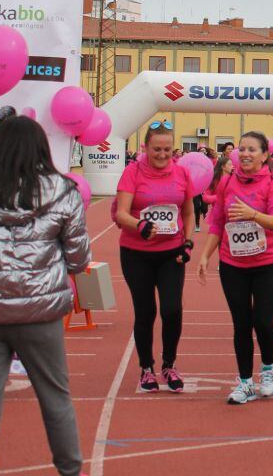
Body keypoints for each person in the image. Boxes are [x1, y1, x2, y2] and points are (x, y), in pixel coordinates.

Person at [0, 115, 90, 476]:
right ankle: (70, 471)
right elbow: (80, 260)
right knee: (55, 397)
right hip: (41, 309)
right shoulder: (63, 191)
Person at [197, 131, 273, 405]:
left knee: (262, 320)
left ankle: (269, 371)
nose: (245, 153)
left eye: (252, 149)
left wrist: (253, 215)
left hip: (267, 263)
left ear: (264, 156)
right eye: (242, 149)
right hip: (232, 263)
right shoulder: (226, 183)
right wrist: (204, 256)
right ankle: (246, 382)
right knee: (241, 323)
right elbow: (217, 223)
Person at [114, 120, 195, 393]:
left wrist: (189, 242)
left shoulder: (182, 173)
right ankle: (146, 367)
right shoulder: (132, 172)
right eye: (156, 149)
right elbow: (121, 213)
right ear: (146, 148)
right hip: (136, 253)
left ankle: (169, 364)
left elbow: (187, 211)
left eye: (167, 149)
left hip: (171, 252)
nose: (162, 155)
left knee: (172, 310)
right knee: (145, 311)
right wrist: (140, 225)